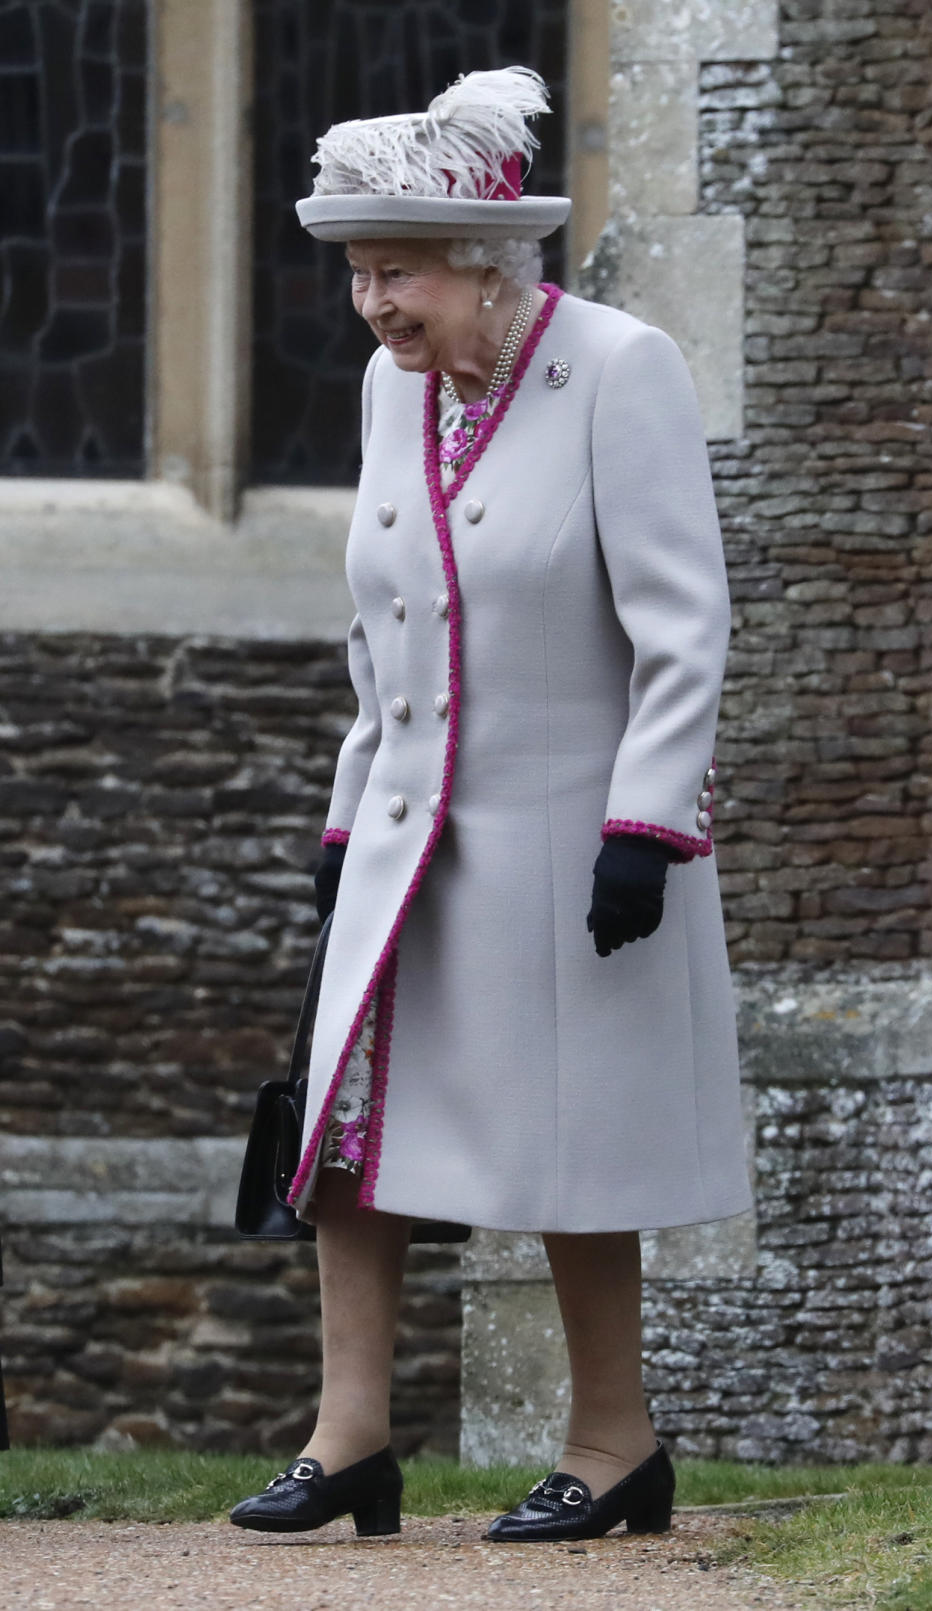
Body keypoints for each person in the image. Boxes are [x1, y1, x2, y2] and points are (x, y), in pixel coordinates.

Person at [230, 66, 752, 1544]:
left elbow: (683, 624)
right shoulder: (393, 393)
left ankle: (614, 1443)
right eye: (357, 275)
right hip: (414, 838)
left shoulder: (620, 368)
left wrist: (647, 823)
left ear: (483, 261)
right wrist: (348, 820)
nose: (372, 305)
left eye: (396, 272)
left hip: (571, 844)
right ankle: (351, 1441)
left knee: (571, 1147)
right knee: (349, 1133)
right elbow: (380, 632)